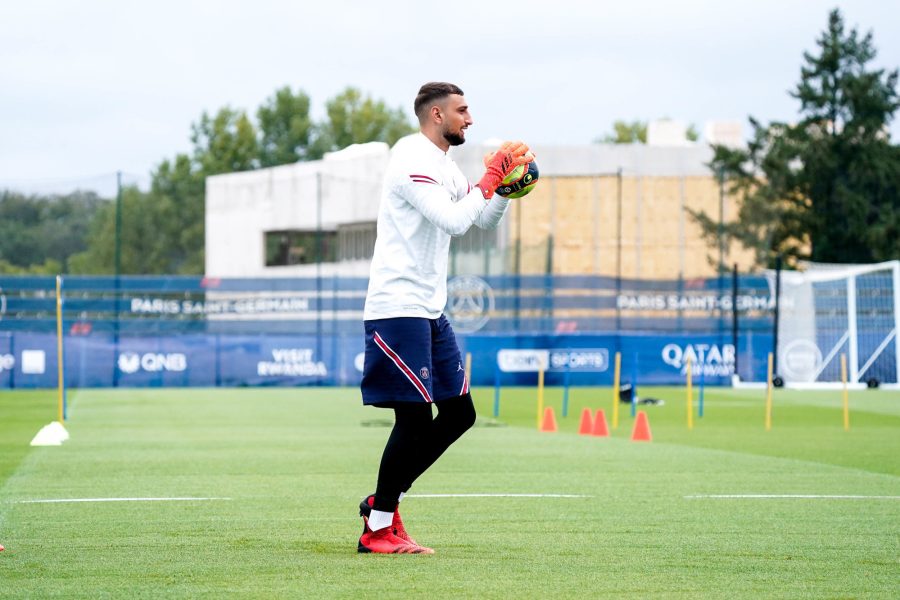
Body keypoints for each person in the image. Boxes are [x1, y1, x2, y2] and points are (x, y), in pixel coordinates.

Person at [357, 82, 532, 554]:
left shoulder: (444, 166)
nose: (469, 119)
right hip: (398, 308)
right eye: (462, 110)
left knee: (460, 414)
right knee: (413, 423)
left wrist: (506, 191)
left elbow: (480, 220)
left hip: (429, 310)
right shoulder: (411, 158)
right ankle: (377, 527)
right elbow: (453, 221)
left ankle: (383, 502)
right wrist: (491, 180)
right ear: (436, 114)